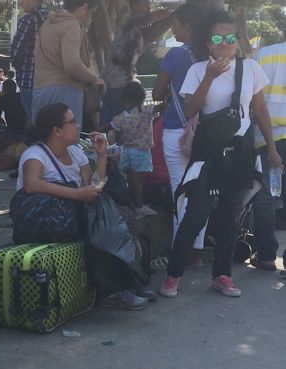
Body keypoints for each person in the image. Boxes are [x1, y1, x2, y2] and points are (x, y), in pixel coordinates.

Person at [160, 10, 283, 298]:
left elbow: (261, 111)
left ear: (239, 41)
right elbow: (189, 110)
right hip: (208, 150)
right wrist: (210, 76)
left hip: (239, 150)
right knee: (196, 214)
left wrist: (273, 148)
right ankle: (173, 274)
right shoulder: (198, 70)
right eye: (218, 38)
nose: (225, 42)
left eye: (231, 37)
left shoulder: (251, 68)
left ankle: (222, 275)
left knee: (230, 217)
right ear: (208, 43)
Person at [17, 103, 149, 309]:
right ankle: (113, 291)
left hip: (70, 215)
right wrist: (76, 194)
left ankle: (130, 282)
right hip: (46, 220)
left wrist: (102, 155)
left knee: (122, 216)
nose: (78, 126)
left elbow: (93, 186)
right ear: (57, 130)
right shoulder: (35, 154)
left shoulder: (76, 153)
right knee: (101, 228)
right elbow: (31, 184)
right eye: (71, 122)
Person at [152, 2, 206, 267]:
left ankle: (180, 249)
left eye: (175, 24)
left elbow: (158, 92)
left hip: (177, 129)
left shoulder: (176, 55)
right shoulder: (211, 54)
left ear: (189, 26)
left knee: (180, 191)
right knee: (201, 192)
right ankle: (196, 251)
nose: (172, 29)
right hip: (205, 132)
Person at [32, 0, 106, 128]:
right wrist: (95, 79)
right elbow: (72, 64)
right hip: (65, 91)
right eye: (90, 13)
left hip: (40, 90)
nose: (88, 18)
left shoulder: (47, 24)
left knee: (41, 140)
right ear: (84, 7)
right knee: (68, 143)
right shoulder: (71, 26)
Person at [100, 0, 173, 128]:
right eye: (144, 3)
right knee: (126, 122)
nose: (148, 7)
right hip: (118, 80)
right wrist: (171, 15)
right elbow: (153, 17)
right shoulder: (132, 21)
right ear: (133, 6)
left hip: (112, 79)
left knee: (109, 122)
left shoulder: (134, 29)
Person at [250, 31, 286, 271]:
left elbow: (252, 98)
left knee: (266, 198)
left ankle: (265, 256)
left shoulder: (264, 54)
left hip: (268, 138)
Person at [109, 81, 157, 218]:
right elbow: (161, 107)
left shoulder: (122, 117)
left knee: (131, 178)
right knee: (138, 180)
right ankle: (139, 206)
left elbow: (111, 126)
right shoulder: (146, 111)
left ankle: (134, 203)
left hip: (127, 151)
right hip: (140, 151)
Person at [10, 0, 47, 126]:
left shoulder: (27, 20)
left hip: (28, 80)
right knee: (43, 121)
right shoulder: (48, 20)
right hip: (47, 82)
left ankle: (33, 144)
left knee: (32, 121)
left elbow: (15, 50)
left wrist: (19, 67)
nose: (21, 2)